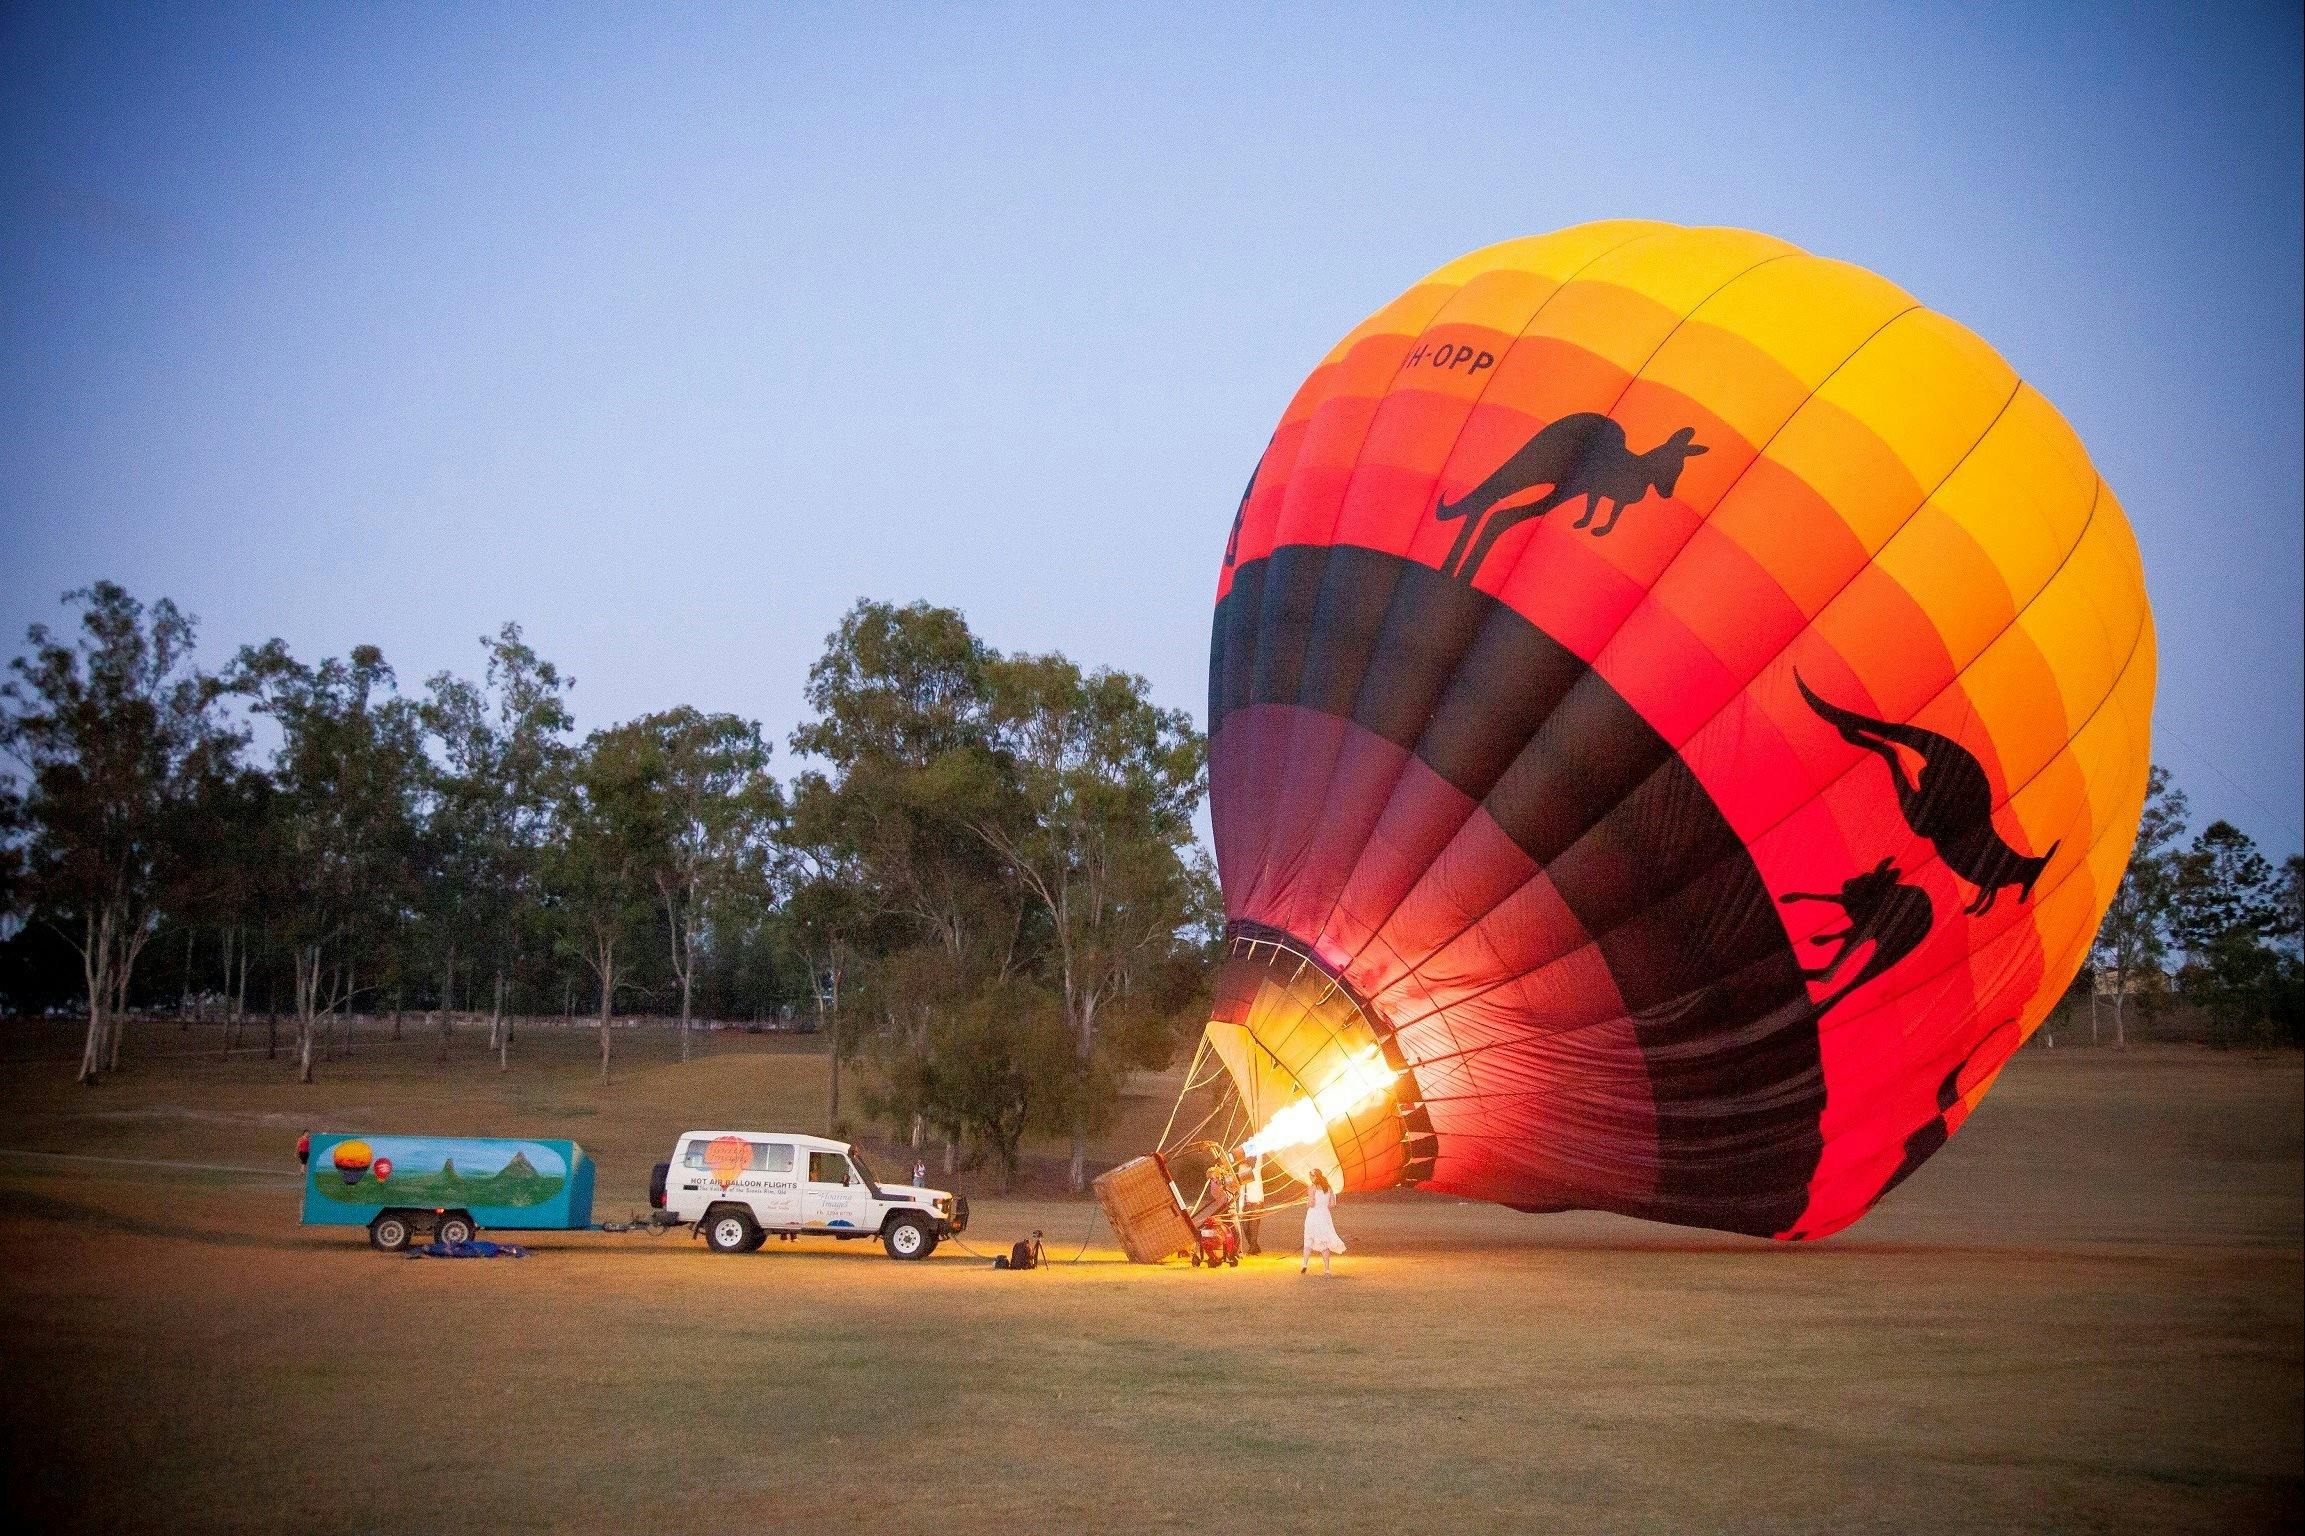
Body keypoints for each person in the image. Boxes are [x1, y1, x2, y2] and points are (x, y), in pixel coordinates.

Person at [1301, 1167, 1346, 1276]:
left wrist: (1307, 1203)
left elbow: (1311, 1203)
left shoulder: (1312, 1188)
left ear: (1313, 1177)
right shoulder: (1328, 1188)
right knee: (1324, 1241)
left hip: (1313, 1216)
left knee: (1309, 1238)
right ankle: (1327, 1269)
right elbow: (1332, 1204)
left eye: (1310, 1177)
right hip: (1325, 1216)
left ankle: (1304, 1264)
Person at [1233, 1152, 1265, 1256]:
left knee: (1253, 1226)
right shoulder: (1243, 1182)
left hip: (1256, 1202)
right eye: (1240, 1171)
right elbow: (1241, 1194)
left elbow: (1259, 1160)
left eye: (1242, 1170)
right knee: (1245, 1226)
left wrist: (1257, 1145)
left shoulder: (1256, 1171)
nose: (1240, 1172)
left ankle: (1252, 1248)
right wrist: (1240, 1209)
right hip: (1247, 1204)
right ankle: (1255, 1246)